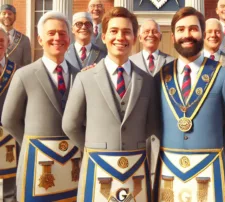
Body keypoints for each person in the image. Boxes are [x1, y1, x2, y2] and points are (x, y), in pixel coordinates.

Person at [62, 7, 159, 202]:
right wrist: (93, 147)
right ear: (104, 37)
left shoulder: (148, 81)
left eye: (126, 32)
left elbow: (152, 124)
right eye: (114, 31)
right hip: (98, 168)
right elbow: (70, 125)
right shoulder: (85, 78)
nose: (120, 37)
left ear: (134, 37)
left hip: (136, 169)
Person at [154, 7, 225, 202]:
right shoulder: (161, 76)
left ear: (203, 34)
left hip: (209, 167)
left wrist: (213, 148)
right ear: (172, 37)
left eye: (193, 29)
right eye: (180, 30)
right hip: (169, 167)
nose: (187, 35)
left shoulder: (222, 74)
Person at [1, 11, 81, 201]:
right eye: (51, 33)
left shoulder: (80, 76)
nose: (57, 38)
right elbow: (9, 120)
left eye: (62, 34)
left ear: (69, 39)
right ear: (40, 39)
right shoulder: (24, 74)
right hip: (38, 164)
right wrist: (33, 144)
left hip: (73, 164)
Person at [0, 27, 18, 202]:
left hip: (9, 136)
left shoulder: (17, 70)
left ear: (8, 43)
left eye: (1, 41)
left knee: (10, 187)